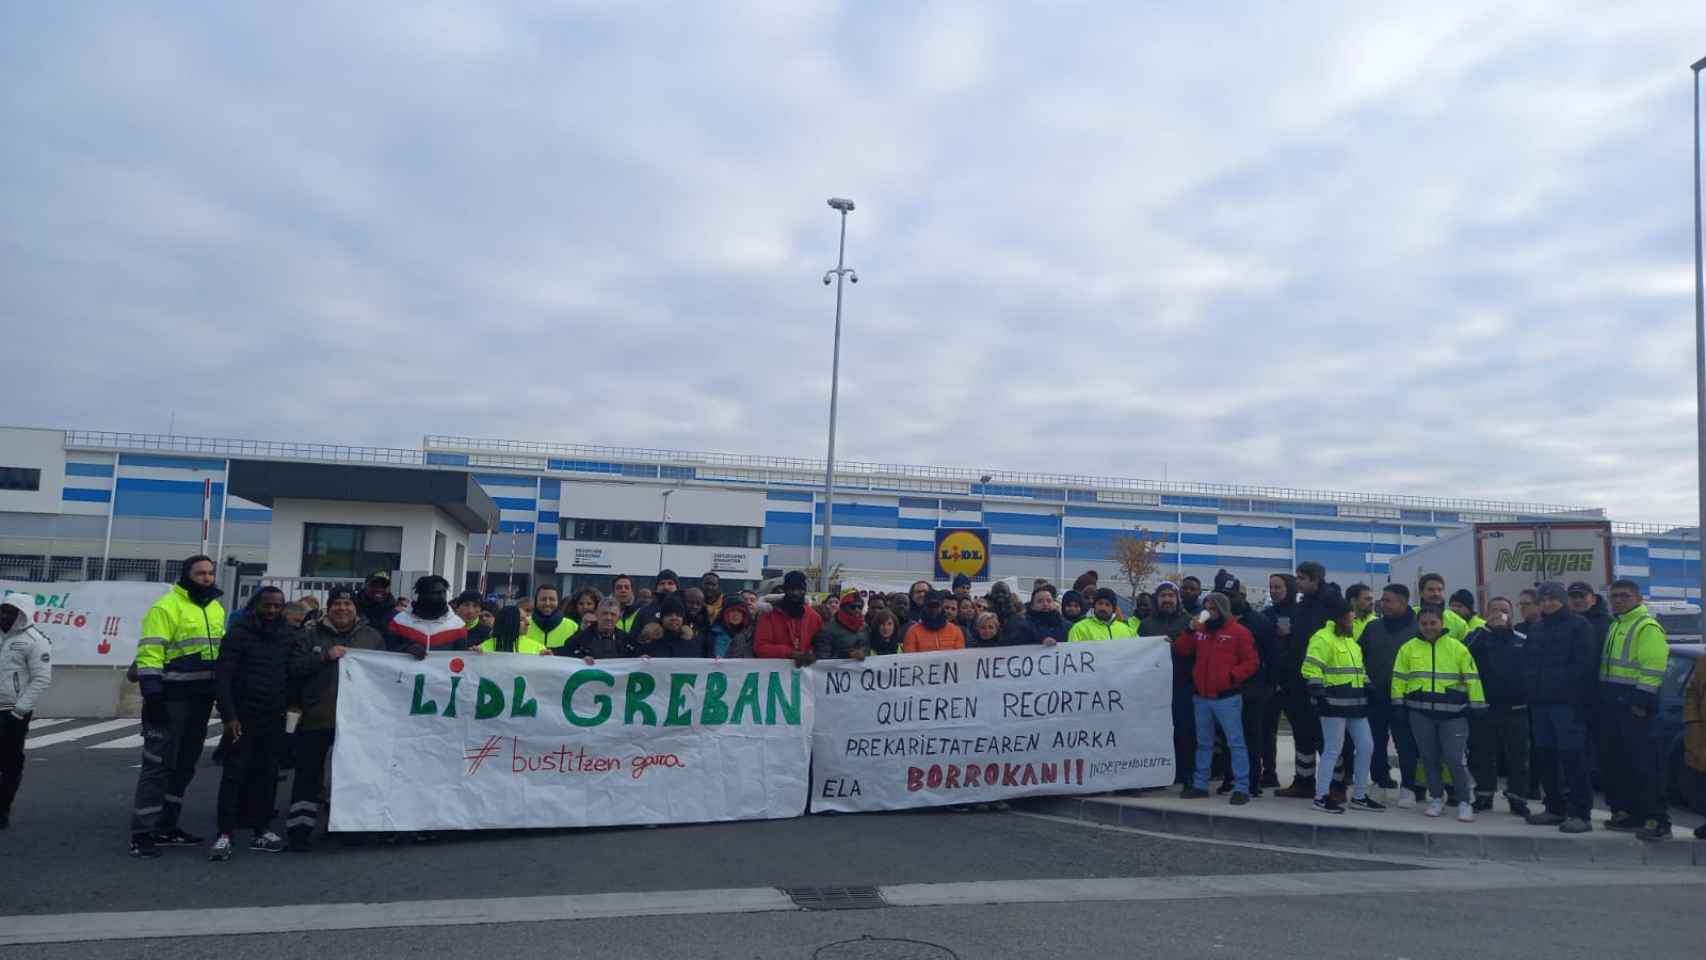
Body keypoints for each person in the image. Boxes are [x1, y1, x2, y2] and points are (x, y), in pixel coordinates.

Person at [130, 554, 227, 859]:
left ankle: (167, 825)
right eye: (200, 573)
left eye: (210, 573)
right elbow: (150, 653)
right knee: (157, 767)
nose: (207, 578)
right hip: (170, 700)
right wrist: (153, 695)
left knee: (185, 765)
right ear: (186, 575)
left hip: (200, 699)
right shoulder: (166, 606)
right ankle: (142, 833)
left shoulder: (215, 607)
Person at [285, 586, 383, 851]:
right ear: (329, 608)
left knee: (350, 775)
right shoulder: (309, 634)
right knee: (308, 775)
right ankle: (300, 829)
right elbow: (293, 668)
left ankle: (347, 827)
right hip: (317, 716)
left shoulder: (372, 637)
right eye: (337, 604)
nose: (342, 608)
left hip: (357, 722)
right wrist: (324, 656)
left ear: (355, 609)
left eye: (347, 604)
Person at [210, 586, 293, 859]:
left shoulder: (286, 634)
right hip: (243, 717)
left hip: (274, 717)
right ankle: (224, 833)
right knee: (235, 774)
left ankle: (262, 829)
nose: (271, 610)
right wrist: (229, 716)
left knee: (268, 775)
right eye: (267, 605)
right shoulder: (238, 633)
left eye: (277, 606)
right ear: (255, 604)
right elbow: (222, 678)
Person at [1393, 605, 1485, 821]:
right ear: (1418, 624)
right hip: (1420, 713)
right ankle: (1436, 798)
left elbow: (1472, 678)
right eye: (1424, 623)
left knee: (1454, 759)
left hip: (1454, 715)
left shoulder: (1457, 648)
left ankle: (1464, 801)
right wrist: (1397, 703)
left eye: (1433, 623)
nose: (1428, 627)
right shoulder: (1408, 648)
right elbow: (1399, 678)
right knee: (1428, 758)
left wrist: (1478, 704)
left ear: (1441, 623)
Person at [1521, 581, 1599, 834]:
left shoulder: (1579, 626)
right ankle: (1554, 808)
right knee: (1546, 757)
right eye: (1543, 599)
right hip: (1540, 705)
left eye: (1552, 598)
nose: (1547, 603)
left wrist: (1569, 694)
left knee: (1573, 759)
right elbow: (1529, 665)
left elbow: (1584, 666)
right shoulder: (1538, 628)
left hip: (1567, 706)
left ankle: (1580, 814)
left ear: (1562, 600)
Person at [1597, 580, 1672, 841]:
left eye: (1624, 596)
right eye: (1614, 596)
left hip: (1637, 707)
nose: (1618, 600)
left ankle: (1657, 820)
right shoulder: (1617, 624)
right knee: (1624, 764)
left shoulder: (1646, 626)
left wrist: (1640, 703)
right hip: (1615, 704)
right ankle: (1633, 815)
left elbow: (1653, 667)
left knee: (1646, 765)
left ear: (1638, 598)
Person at [1300, 594, 1381, 814]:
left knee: (1366, 747)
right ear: (1338, 618)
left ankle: (1360, 796)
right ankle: (1321, 796)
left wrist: (1368, 685)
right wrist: (1318, 691)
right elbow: (1310, 667)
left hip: (1356, 703)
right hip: (1333, 703)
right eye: (1349, 618)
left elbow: (1358, 670)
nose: (1353, 621)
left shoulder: (1350, 641)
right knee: (1333, 750)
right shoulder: (1322, 638)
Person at [1176, 592, 1258, 805]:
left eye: (1212, 609)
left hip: (1227, 698)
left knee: (1235, 743)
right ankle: (1200, 784)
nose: (1209, 613)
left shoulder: (1239, 632)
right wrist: (1189, 630)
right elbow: (1182, 649)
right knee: (1203, 743)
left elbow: (1251, 662)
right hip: (1202, 697)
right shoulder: (1200, 630)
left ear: (1221, 609)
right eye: (1206, 608)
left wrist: (1232, 676)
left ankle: (1242, 787)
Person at [1465, 597, 1531, 817]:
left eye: (1504, 610)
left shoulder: (1523, 639)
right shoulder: (1476, 637)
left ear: (1512, 614)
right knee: (1482, 754)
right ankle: (1484, 796)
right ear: (1486, 613)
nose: (1499, 614)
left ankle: (1518, 799)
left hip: (1516, 709)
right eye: (1494, 610)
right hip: (1485, 708)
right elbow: (1464, 657)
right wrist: (1487, 629)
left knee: (1518, 757)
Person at [1273, 563, 1334, 799]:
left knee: (1324, 736)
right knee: (1303, 733)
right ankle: (1304, 780)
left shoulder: (1330, 602)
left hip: (1322, 681)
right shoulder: (1302, 606)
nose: (1297, 582)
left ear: (1315, 579)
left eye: (1301, 578)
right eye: (1296, 578)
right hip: (1298, 679)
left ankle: (1333, 786)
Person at [1359, 585, 1421, 803]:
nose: (1382, 604)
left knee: (1406, 744)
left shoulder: (1417, 629)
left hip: (1406, 699)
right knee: (1375, 742)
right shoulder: (1373, 628)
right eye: (1382, 600)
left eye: (1388, 601)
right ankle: (1380, 781)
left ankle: (1409, 787)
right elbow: (1360, 658)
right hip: (1376, 696)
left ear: (1403, 603)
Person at [0, 591, 52, 830]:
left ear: (22, 615)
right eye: (3, 610)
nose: (4, 615)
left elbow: (41, 679)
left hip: (12, 711)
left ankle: (3, 809)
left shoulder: (35, 640)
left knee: (10, 761)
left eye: (10, 612)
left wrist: (19, 711)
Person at [1222, 575, 1277, 797]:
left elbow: (1271, 655)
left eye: (1231, 595)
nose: (1227, 599)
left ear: (1242, 596)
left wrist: (1269, 685)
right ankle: (1230, 777)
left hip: (1253, 689)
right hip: (1225, 689)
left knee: (1252, 736)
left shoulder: (1259, 622)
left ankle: (1253, 781)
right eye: (1223, 595)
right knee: (1228, 737)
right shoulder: (1214, 620)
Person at [1141, 581, 1196, 785]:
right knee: (1156, 731)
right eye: (1163, 595)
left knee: (1184, 730)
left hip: (1182, 684)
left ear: (1177, 599)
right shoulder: (1146, 624)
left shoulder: (1188, 622)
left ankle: (1184, 772)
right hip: (1154, 687)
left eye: (1171, 596)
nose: (1167, 599)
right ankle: (1158, 772)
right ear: (1156, 599)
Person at [1259, 573, 1299, 790]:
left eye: (1278, 587)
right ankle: (1269, 772)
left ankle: (1304, 776)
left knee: (1301, 731)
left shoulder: (1301, 614)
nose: (1274, 591)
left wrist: (1291, 635)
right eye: (1271, 587)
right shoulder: (1266, 614)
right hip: (1271, 681)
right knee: (1267, 729)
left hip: (1294, 682)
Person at [385, 575, 471, 660]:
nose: (442, 597)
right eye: (435, 593)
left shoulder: (458, 625)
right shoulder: (399, 621)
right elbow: (386, 652)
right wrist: (405, 648)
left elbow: (461, 660)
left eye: (443, 592)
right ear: (421, 594)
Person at [753, 571, 821, 665]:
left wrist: (811, 654)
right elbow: (761, 648)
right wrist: (791, 653)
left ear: (805, 590)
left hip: (806, 674)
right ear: (785, 590)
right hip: (776, 673)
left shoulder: (814, 617)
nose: (795, 593)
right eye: (791, 589)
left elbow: (821, 645)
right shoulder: (769, 615)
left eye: (799, 589)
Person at [633, 594, 704, 658]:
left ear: (683, 619)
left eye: (678, 615)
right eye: (669, 615)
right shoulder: (649, 644)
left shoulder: (692, 644)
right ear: (662, 619)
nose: (674, 618)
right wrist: (639, 661)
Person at [1683, 660, 1706, 840]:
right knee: (1699, 779)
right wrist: (1693, 720)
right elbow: (1691, 692)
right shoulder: (1704, 661)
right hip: (1701, 728)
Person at [1001, 585, 1066, 647]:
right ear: (1032, 606)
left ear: (1054, 603)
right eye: (1040, 601)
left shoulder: (1066, 625)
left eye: (1049, 601)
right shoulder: (1021, 625)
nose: (1045, 604)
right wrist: (1039, 642)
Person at [523, 585, 578, 654]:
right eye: (543, 599)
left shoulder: (573, 627)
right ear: (536, 602)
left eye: (552, 599)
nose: (547, 603)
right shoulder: (524, 623)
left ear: (558, 602)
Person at [1068, 588, 1137, 642]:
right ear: (1094, 605)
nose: (1103, 607)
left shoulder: (1127, 631)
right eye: (1100, 603)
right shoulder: (1079, 629)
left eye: (1107, 604)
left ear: (1113, 608)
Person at [815, 590, 868, 660]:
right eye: (853, 607)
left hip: (863, 670)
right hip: (838, 670)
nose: (857, 610)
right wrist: (848, 654)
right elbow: (823, 660)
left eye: (860, 607)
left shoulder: (865, 627)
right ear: (843, 608)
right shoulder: (827, 630)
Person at [1416, 573, 1469, 640]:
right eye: (1431, 590)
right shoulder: (1411, 617)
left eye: (1439, 590)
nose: (1436, 593)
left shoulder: (1458, 622)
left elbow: (1467, 648)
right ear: (1421, 593)